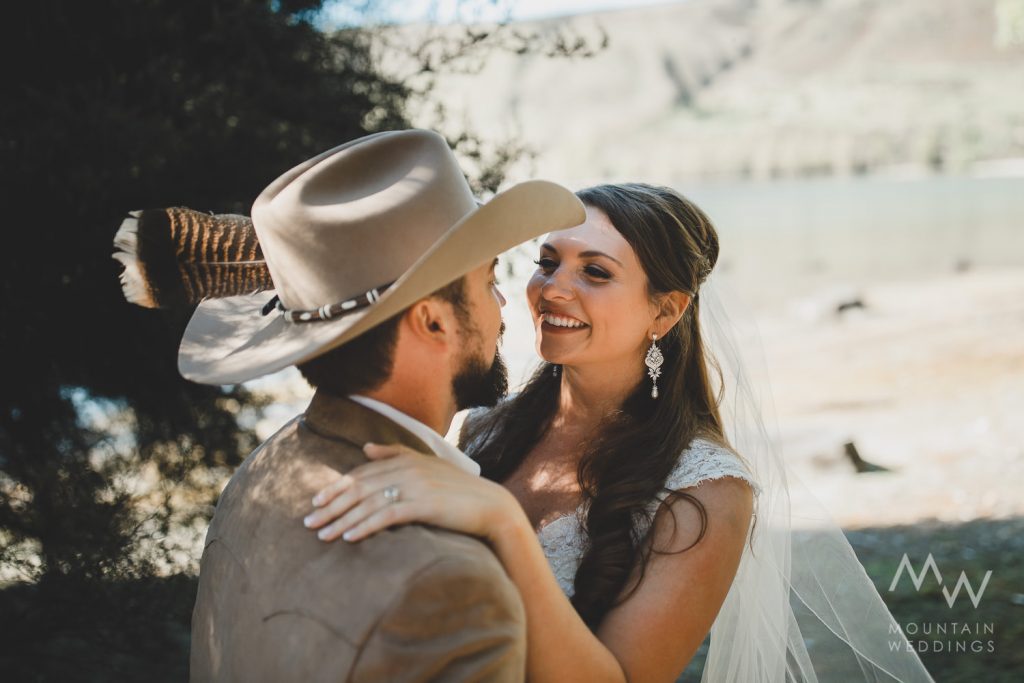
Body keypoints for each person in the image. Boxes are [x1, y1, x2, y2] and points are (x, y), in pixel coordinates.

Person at [303, 183, 936, 682]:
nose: (554, 288)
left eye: (595, 273)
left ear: (665, 310)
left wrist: (501, 521)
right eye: (547, 262)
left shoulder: (707, 491)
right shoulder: (480, 430)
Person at [112, 129, 586, 681]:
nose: (503, 306)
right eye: (487, 281)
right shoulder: (449, 586)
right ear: (433, 319)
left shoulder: (260, 473)